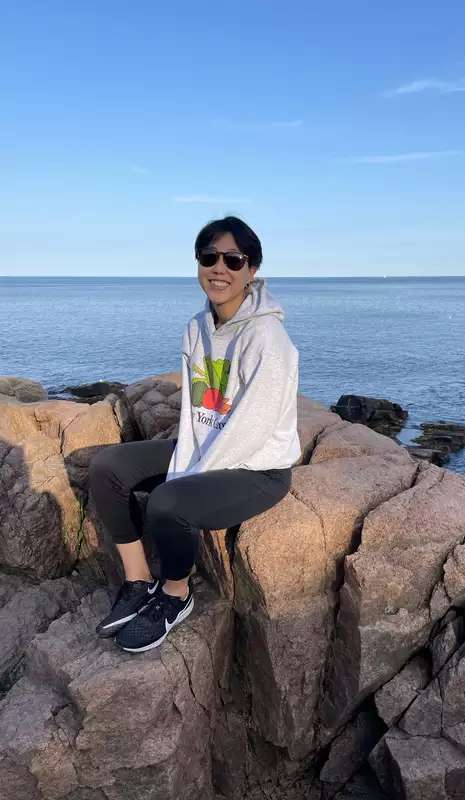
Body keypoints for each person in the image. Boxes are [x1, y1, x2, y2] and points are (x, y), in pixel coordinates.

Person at [88, 216, 301, 653]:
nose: (219, 268)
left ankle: (176, 593)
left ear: (251, 270)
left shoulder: (267, 337)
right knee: (108, 467)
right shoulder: (196, 327)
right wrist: (185, 457)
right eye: (210, 257)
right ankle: (138, 582)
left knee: (169, 502)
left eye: (233, 259)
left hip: (257, 467)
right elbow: (195, 410)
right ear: (198, 263)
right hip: (203, 446)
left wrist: (187, 476)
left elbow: (252, 426)